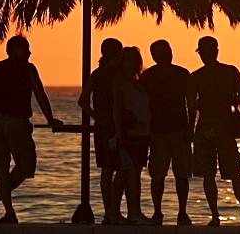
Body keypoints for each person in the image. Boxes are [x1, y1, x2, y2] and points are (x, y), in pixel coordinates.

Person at [0, 35, 63, 224]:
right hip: (16, 122)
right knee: (26, 165)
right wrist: (50, 119)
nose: (29, 52)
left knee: (2, 168)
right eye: (25, 49)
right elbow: (40, 93)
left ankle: (5, 209)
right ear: (13, 50)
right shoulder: (27, 69)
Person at [187, 36, 240, 227]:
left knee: (208, 174)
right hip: (224, 127)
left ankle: (215, 218)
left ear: (202, 54)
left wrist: (204, 105)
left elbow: (191, 106)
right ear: (217, 51)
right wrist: (226, 100)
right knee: (235, 173)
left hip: (204, 128)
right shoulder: (229, 72)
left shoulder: (195, 76)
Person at [139, 39, 194, 226]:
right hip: (157, 132)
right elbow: (143, 106)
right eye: (162, 52)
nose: (166, 55)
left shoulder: (182, 74)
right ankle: (158, 212)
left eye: (168, 51)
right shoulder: (148, 76)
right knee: (158, 175)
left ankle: (182, 212)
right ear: (154, 56)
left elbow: (191, 104)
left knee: (181, 175)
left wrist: (190, 128)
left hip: (178, 129)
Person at [78, 38, 125, 224]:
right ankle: (113, 210)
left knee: (107, 170)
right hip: (116, 125)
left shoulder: (97, 74)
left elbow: (82, 100)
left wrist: (96, 117)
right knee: (121, 168)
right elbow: (117, 102)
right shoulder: (118, 74)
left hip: (102, 126)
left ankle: (110, 211)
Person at [112, 46, 155, 225]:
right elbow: (117, 107)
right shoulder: (120, 81)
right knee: (127, 173)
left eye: (135, 60)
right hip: (129, 133)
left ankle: (131, 212)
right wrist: (118, 132)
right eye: (128, 60)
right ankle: (127, 212)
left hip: (142, 133)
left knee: (132, 172)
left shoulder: (137, 83)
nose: (132, 64)